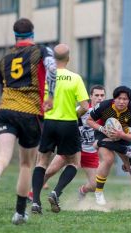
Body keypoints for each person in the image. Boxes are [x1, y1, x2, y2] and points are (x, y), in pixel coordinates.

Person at [0, 18, 57, 225]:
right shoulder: (40, 50)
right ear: (32, 33)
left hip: (5, 111)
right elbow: (53, 69)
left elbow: (2, 86)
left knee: (2, 159)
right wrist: (50, 96)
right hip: (30, 113)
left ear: (15, 36)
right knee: (25, 164)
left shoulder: (4, 59)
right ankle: (20, 213)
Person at [37, 88, 131, 203]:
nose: (99, 98)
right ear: (90, 96)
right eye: (96, 95)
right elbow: (66, 121)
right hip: (77, 147)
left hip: (93, 151)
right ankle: (34, 194)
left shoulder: (107, 108)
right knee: (50, 171)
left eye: (102, 95)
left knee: (95, 184)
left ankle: (83, 191)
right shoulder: (82, 110)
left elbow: (126, 112)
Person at [31, 43, 89, 214]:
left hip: (49, 123)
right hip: (69, 123)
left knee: (41, 162)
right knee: (73, 162)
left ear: (53, 59)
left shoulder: (46, 76)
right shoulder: (75, 78)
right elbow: (85, 106)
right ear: (68, 59)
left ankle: (35, 202)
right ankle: (56, 192)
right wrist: (74, 114)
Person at [86, 86, 131, 205]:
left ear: (129, 100)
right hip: (103, 134)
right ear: (114, 99)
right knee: (108, 159)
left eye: (125, 99)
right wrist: (102, 129)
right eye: (119, 98)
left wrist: (121, 134)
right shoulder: (104, 106)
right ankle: (99, 193)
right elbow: (89, 120)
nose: (121, 101)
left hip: (122, 137)